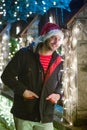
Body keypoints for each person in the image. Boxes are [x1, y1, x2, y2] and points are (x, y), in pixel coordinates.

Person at [1, 22, 64, 130]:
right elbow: (6, 76)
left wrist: (58, 94)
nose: (56, 42)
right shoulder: (24, 54)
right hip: (24, 114)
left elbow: (62, 83)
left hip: (45, 116)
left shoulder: (59, 61)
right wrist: (23, 91)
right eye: (53, 38)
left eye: (59, 39)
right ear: (45, 37)